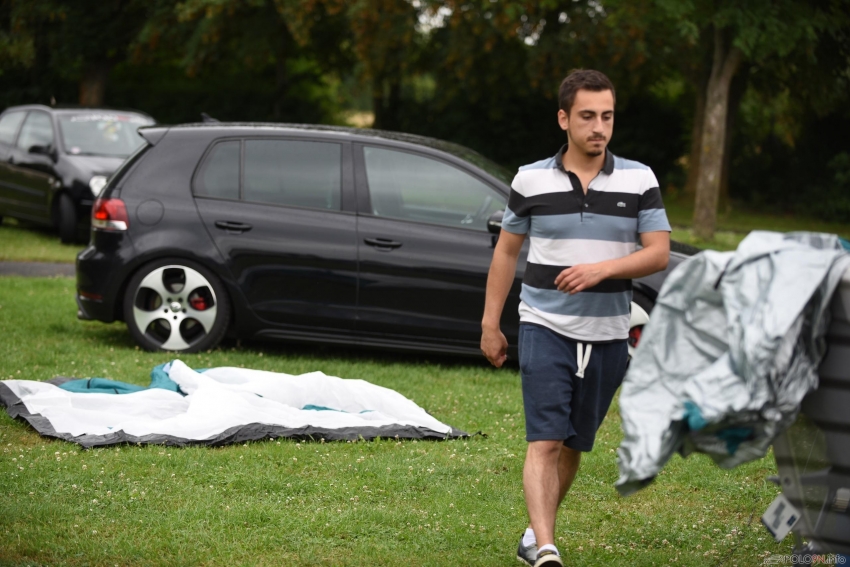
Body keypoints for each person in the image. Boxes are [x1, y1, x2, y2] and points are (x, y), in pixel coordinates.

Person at [480, 69, 671, 567]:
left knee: (573, 445)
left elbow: (658, 253)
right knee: (545, 440)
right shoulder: (530, 179)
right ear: (564, 119)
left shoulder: (639, 179)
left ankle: (533, 532)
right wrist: (490, 323)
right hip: (544, 324)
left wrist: (602, 269)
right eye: (588, 116)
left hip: (609, 333)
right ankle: (546, 549)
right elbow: (506, 252)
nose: (599, 127)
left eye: (607, 116)